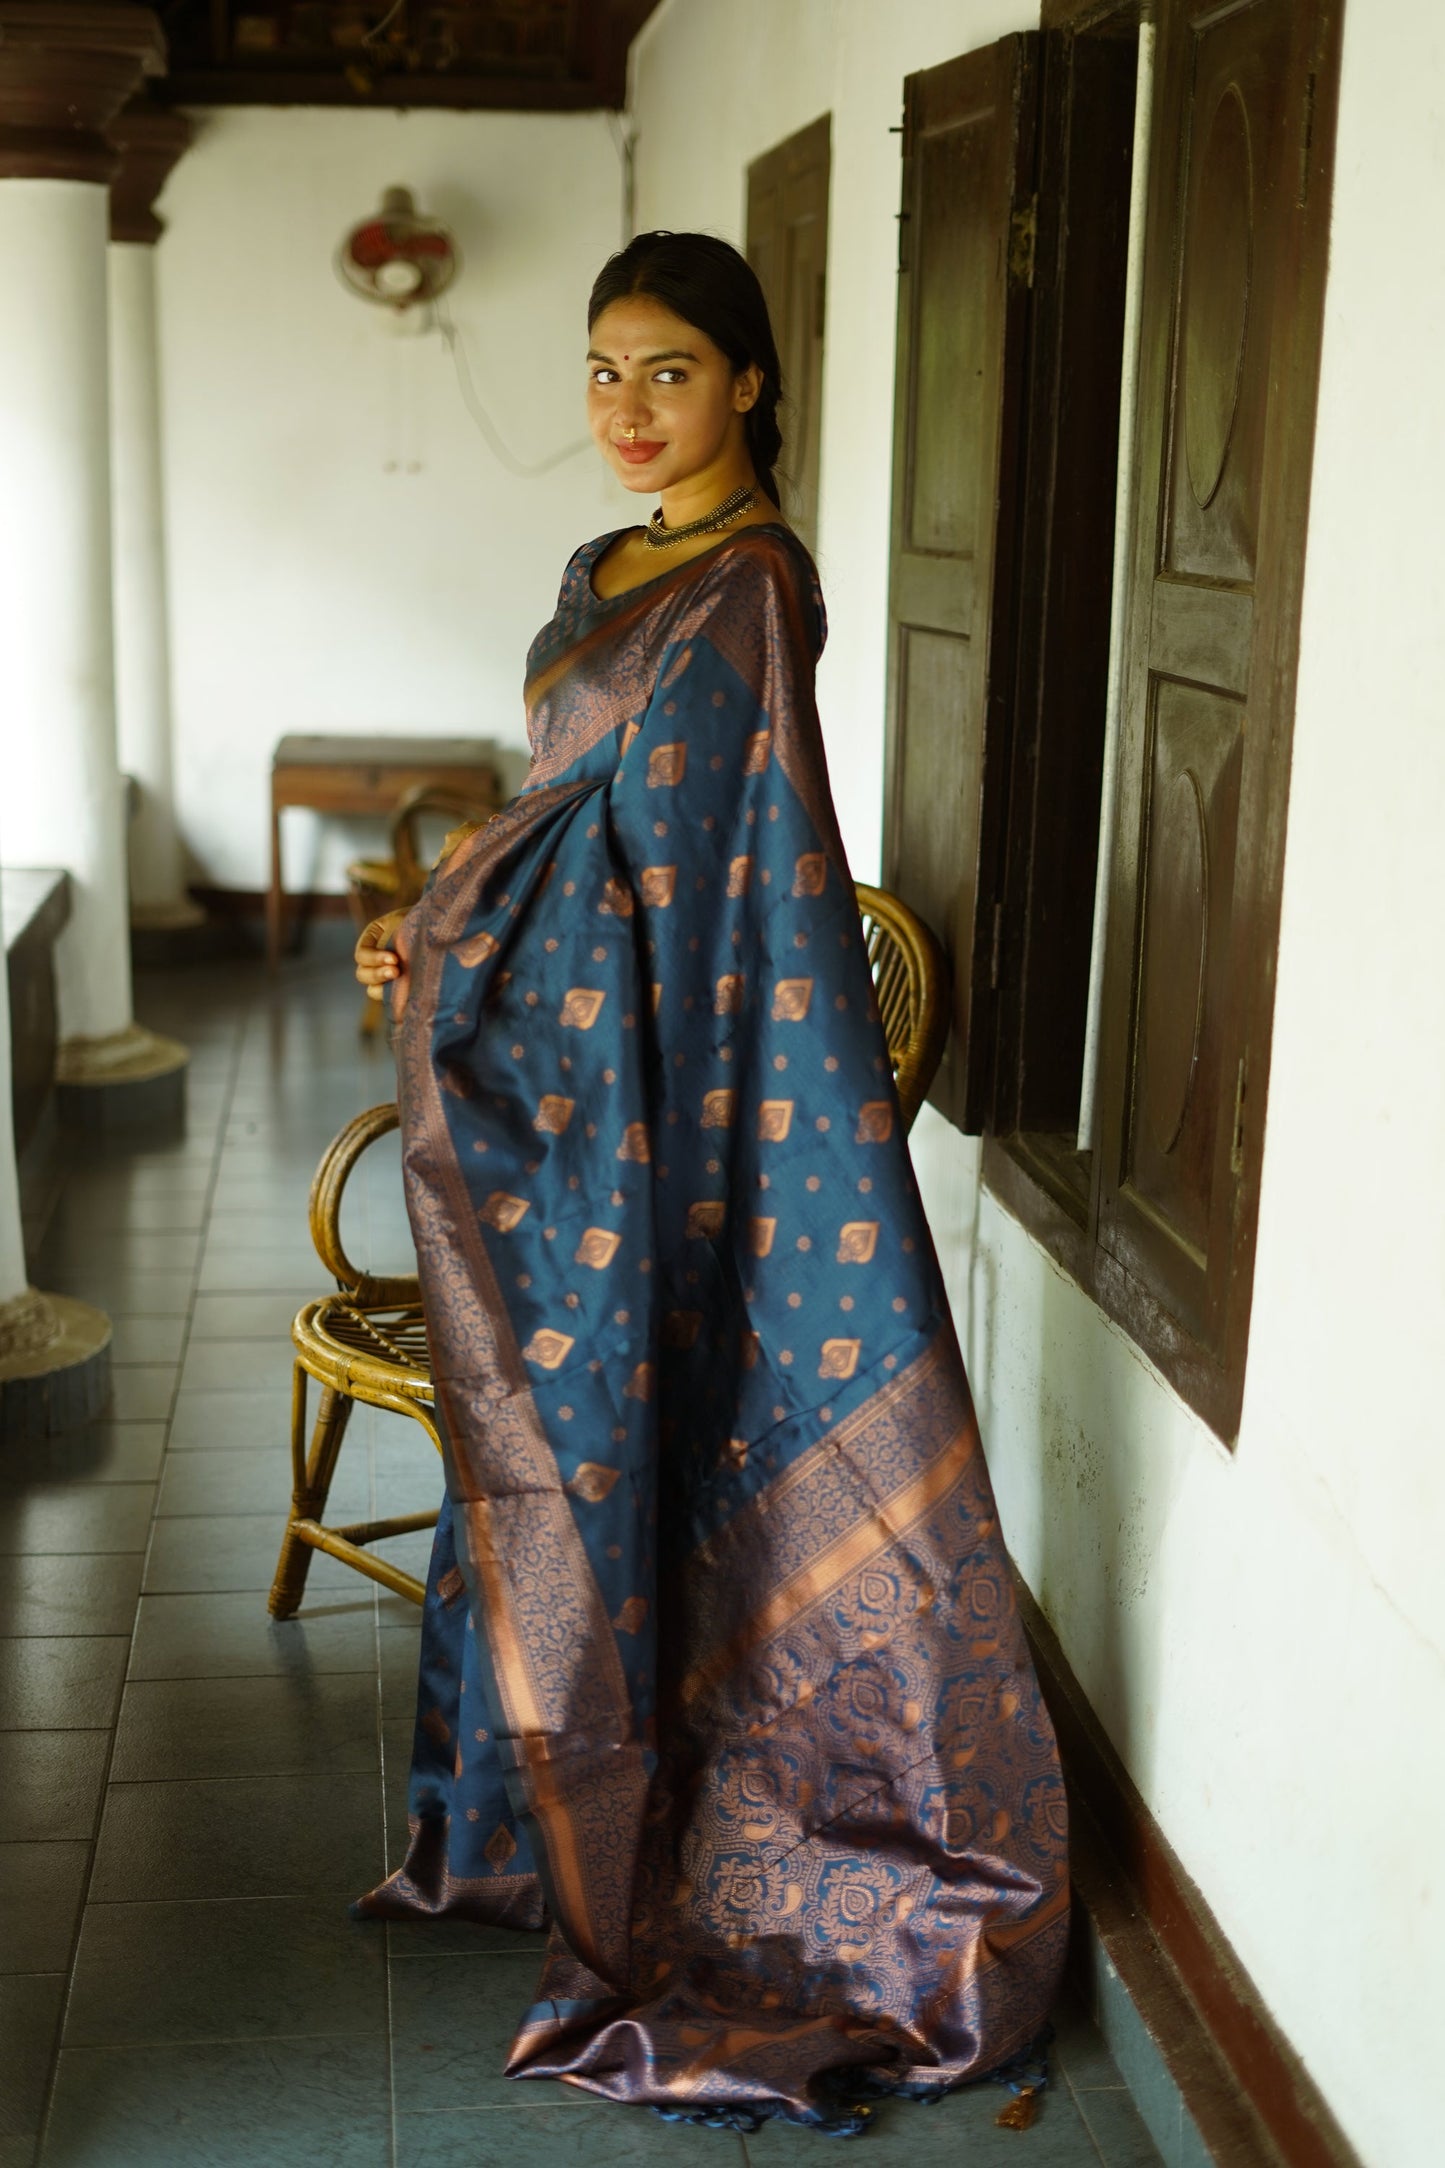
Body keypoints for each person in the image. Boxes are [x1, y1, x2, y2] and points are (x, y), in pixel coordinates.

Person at [353, 230, 1067, 2136]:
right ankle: (539, 1800)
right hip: (601, 1063)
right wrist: (446, 932)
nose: (626, 411)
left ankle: (705, 1823)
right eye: (599, 373)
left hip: (684, 1081)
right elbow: (558, 823)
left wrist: (465, 941)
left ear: (749, 381)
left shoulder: (746, 590)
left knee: (641, 1421)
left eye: (666, 372)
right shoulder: (610, 570)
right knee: (580, 1434)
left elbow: (663, 861)